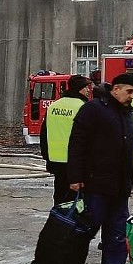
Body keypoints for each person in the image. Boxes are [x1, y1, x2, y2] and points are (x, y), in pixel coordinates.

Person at [67, 73, 133, 264]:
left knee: (117, 235)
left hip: (119, 188)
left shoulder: (126, 113)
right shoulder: (94, 109)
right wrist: (75, 177)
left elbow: (132, 151)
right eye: (129, 91)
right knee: (84, 231)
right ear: (115, 89)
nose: (132, 96)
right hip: (96, 186)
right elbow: (77, 143)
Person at [40, 75, 92, 205]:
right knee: (77, 202)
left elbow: (44, 134)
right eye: (86, 87)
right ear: (79, 89)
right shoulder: (84, 107)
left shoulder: (53, 107)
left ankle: (59, 222)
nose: (88, 90)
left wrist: (47, 157)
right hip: (77, 163)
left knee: (59, 197)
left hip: (56, 161)